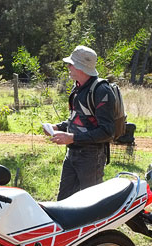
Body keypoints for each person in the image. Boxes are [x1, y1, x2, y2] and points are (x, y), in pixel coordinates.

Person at [47, 45, 115, 201]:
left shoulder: (101, 91)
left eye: (71, 64)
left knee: (91, 204)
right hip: (72, 153)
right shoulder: (77, 87)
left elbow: (107, 131)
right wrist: (57, 127)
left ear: (80, 68)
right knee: (63, 202)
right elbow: (77, 119)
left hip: (91, 157)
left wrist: (72, 138)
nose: (68, 67)